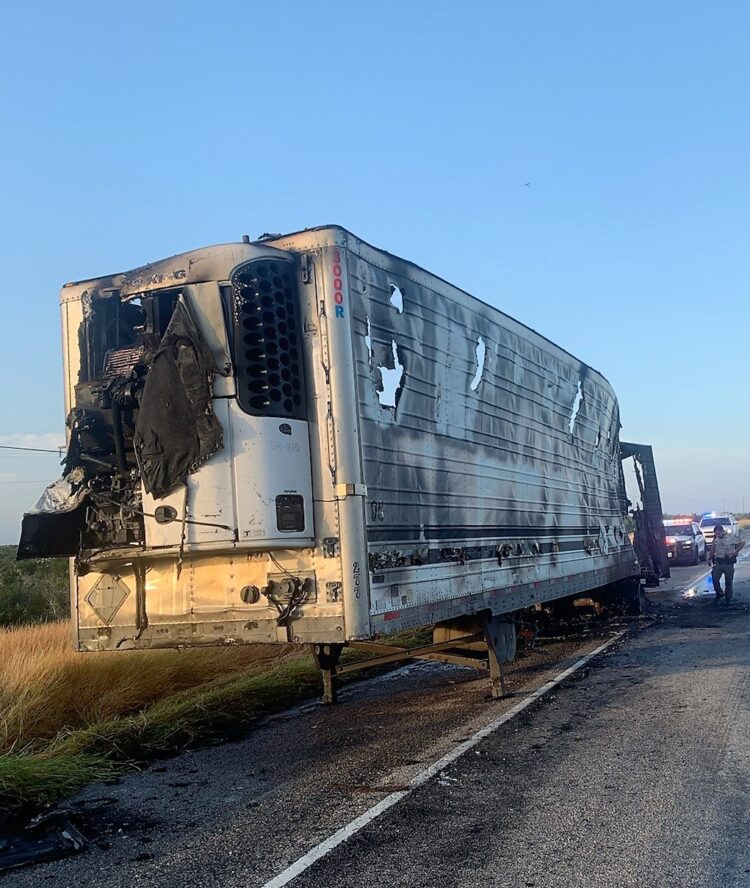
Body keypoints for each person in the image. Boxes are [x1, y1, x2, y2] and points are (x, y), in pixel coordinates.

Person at [710, 524, 745, 604]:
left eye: (719, 533)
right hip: (718, 562)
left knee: (728, 581)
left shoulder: (731, 537)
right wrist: (709, 558)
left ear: (722, 531)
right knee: (715, 579)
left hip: (728, 562)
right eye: (716, 533)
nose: (718, 535)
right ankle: (719, 593)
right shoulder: (716, 538)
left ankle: (728, 598)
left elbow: (742, 543)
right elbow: (712, 548)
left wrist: (735, 552)